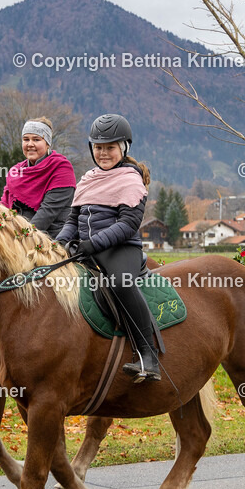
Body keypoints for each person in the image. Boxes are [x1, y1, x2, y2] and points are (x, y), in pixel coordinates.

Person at [56, 114, 159, 382]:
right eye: (99, 147)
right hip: (88, 248)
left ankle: (148, 356)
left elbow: (127, 224)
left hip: (121, 248)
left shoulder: (131, 180)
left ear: (123, 148)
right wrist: (57, 244)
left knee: (121, 283)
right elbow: (72, 220)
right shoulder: (88, 178)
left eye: (110, 147)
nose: (103, 153)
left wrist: (93, 244)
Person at [0, 117, 77, 239]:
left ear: (47, 143)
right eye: (26, 139)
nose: (30, 144)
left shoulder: (61, 168)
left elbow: (47, 213)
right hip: (17, 236)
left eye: (36, 139)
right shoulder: (16, 171)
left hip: (51, 240)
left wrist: (19, 239)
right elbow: (3, 206)